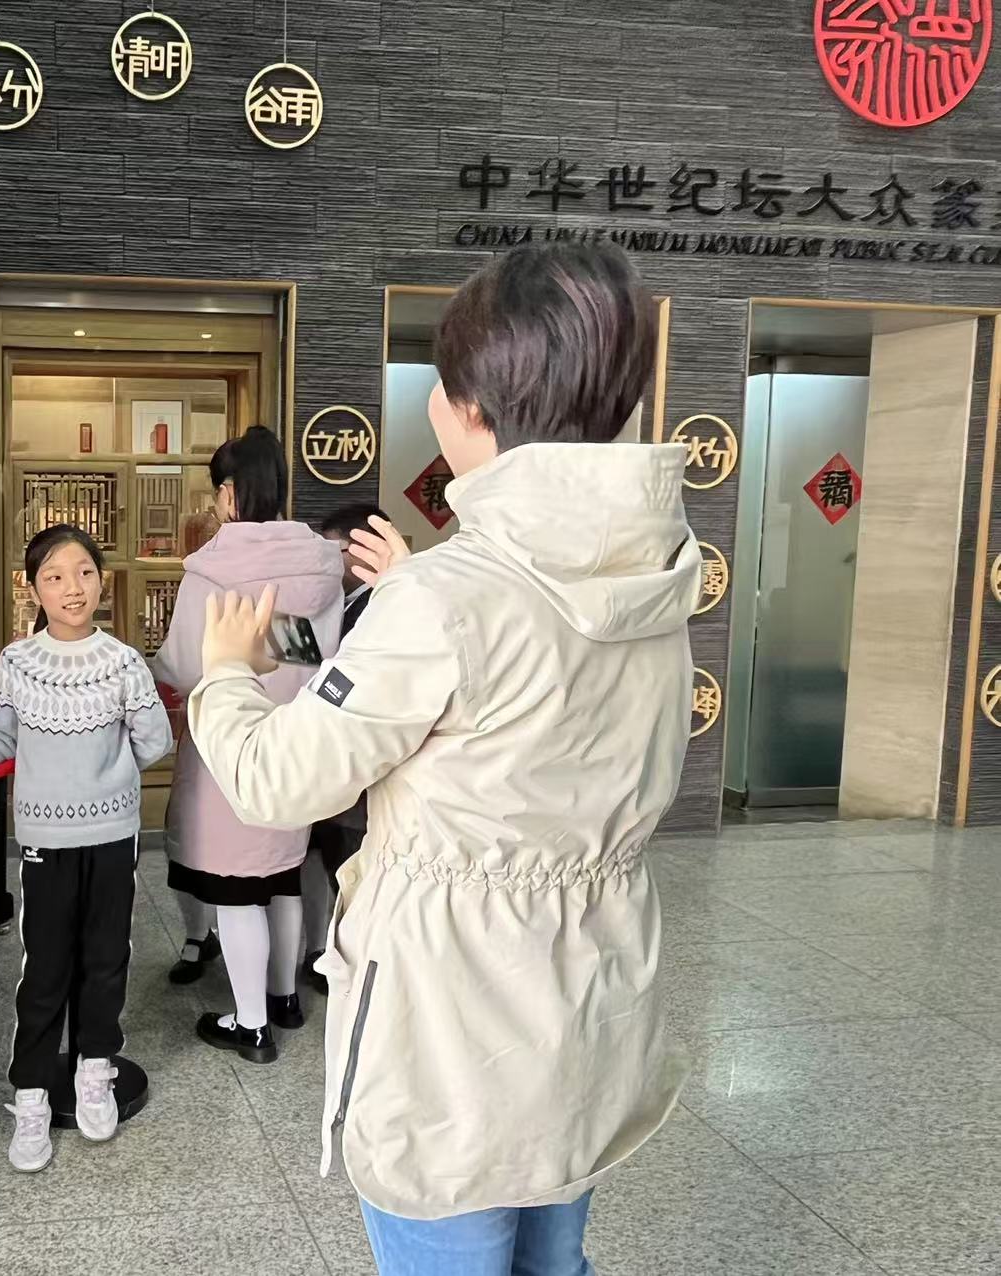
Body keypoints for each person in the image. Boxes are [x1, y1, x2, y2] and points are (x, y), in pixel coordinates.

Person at [187, 242, 698, 1273]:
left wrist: (227, 674)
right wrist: (414, 597)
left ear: (470, 406)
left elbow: (279, 779)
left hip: (455, 1025)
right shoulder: (653, 569)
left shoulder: (442, 599)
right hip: (589, 992)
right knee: (553, 1257)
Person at [0, 524, 171, 1173]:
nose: (72, 587)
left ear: (101, 581)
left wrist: (107, 776)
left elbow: (156, 741)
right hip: (44, 841)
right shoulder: (18, 661)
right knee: (46, 966)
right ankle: (31, 1095)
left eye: (84, 572)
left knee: (106, 957)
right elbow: (0, 739)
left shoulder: (123, 661)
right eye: (54, 576)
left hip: (112, 836)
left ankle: (95, 1068)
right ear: (33, 588)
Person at [152, 425, 343, 1064]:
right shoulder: (318, 567)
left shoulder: (212, 571)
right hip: (296, 744)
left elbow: (186, 665)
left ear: (230, 493)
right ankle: (284, 996)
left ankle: (251, 1024)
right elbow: (316, 659)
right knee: (283, 874)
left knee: (236, 887)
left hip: (228, 746)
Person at [299, 501, 388, 997]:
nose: (326, 562)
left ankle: (356, 979)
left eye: (332, 551)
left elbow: (345, 683)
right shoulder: (351, 602)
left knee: (353, 879)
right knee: (329, 868)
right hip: (338, 773)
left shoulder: (381, 607)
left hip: (358, 780)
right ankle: (327, 956)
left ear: (362, 549)